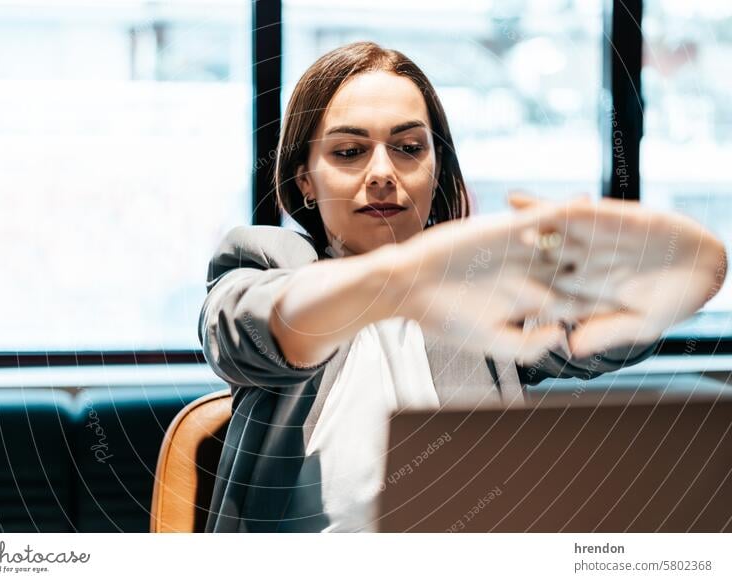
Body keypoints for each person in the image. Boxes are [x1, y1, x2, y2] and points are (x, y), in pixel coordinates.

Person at [198, 41, 727, 532]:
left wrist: (678, 266)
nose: (382, 173)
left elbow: (607, 330)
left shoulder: (477, 293)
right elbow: (266, 324)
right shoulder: (264, 258)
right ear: (304, 180)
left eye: (408, 147)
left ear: (436, 171)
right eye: (348, 152)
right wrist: (402, 277)